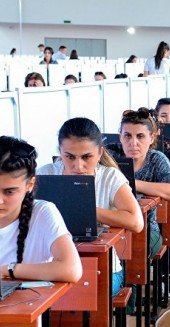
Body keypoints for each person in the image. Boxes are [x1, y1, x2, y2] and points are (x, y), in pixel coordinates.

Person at [38, 117, 144, 296]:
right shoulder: (44, 175)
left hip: (102, 267)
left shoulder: (110, 177)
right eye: (70, 157)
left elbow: (136, 222)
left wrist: (84, 210)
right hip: (51, 267)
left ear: (100, 153)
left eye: (86, 157)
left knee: (79, 294)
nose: (78, 165)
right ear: (60, 152)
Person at [0, 136, 82, 283]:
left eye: (9, 191)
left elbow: (72, 269)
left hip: (27, 297)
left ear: (30, 185)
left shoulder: (42, 212)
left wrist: (5, 270)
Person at [106, 108, 170, 255]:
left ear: (151, 138)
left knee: (134, 247)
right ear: (120, 136)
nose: (133, 143)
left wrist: (128, 184)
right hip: (109, 224)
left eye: (140, 136)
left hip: (146, 227)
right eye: (127, 136)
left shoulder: (156, 159)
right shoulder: (109, 155)